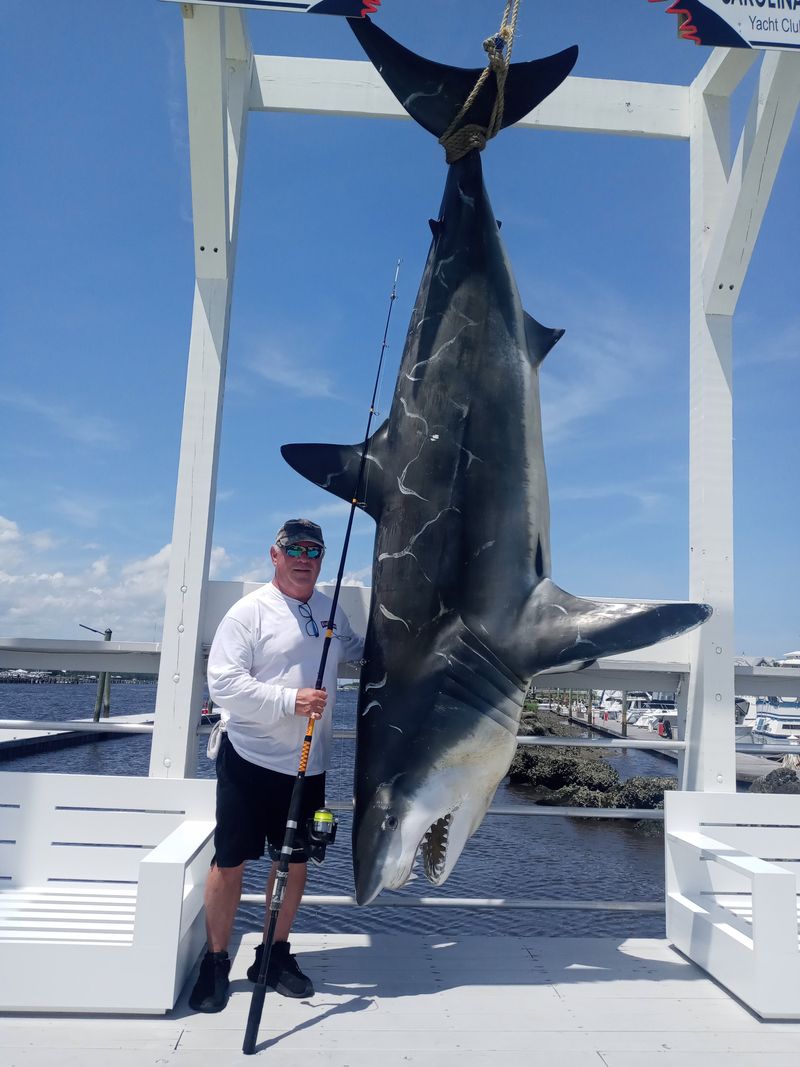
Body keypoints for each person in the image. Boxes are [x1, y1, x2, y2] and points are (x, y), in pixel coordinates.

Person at [189, 518, 364, 1013]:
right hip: (249, 757)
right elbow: (224, 684)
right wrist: (290, 701)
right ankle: (215, 962)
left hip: (309, 763)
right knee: (230, 861)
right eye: (294, 549)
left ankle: (273, 955)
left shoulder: (330, 611)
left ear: (322, 558)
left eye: (314, 551)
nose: (304, 558)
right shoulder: (249, 613)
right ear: (275, 554)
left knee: (294, 861)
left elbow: (360, 651)